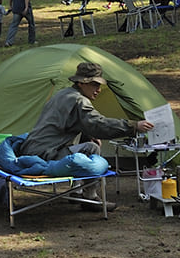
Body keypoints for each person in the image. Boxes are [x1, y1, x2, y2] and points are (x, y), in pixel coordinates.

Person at [19, 61, 154, 203]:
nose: (98, 89)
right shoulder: (79, 101)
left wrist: (89, 135)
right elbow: (99, 124)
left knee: (86, 144)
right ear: (81, 83)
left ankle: (76, 192)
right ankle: (90, 197)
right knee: (92, 148)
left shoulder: (63, 94)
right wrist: (133, 126)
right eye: (95, 85)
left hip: (32, 149)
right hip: (44, 155)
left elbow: (71, 123)